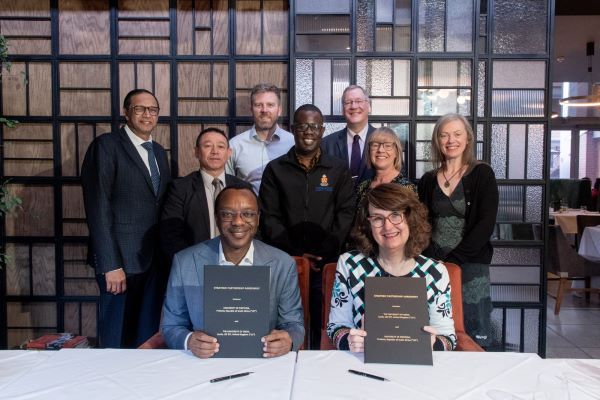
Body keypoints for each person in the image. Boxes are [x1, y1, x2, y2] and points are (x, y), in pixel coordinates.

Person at [161, 185, 304, 358]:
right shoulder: (185, 262)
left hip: (263, 362)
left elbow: (294, 324)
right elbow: (170, 326)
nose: (238, 221)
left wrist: (288, 340)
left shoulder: (282, 263)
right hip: (202, 363)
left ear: (258, 219)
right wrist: (189, 340)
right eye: (228, 214)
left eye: (248, 214)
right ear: (216, 218)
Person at [81, 89, 172, 348]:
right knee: (117, 335)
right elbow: (98, 207)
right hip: (119, 262)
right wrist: (110, 264)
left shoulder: (159, 152)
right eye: (139, 109)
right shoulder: (107, 146)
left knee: (145, 336)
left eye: (152, 110)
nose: (147, 115)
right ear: (126, 112)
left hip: (152, 260)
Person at [259, 104, 356, 348]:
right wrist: (297, 254)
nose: (309, 131)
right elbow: (269, 216)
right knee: (288, 321)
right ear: (293, 129)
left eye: (314, 126)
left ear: (322, 130)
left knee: (324, 322)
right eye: (303, 126)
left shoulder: (338, 169)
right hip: (287, 262)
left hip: (327, 264)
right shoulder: (275, 169)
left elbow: (346, 214)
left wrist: (323, 252)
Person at [328, 184, 456, 351]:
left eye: (396, 215)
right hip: (363, 363)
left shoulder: (435, 273)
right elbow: (336, 327)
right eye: (378, 218)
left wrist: (434, 343)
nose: (387, 227)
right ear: (368, 224)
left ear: (411, 218)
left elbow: (448, 337)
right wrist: (349, 341)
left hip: (418, 367)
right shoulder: (350, 265)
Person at [417, 113, 498, 348]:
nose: (451, 140)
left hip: (471, 266)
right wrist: (435, 260)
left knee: (473, 332)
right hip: (434, 265)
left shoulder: (482, 174)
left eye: (457, 134)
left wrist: (454, 261)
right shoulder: (427, 180)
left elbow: (485, 224)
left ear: (468, 139)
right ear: (437, 141)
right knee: (435, 329)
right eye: (444, 135)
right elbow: (420, 223)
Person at [160, 127, 252, 262]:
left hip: (237, 264)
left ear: (229, 153)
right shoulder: (180, 188)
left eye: (221, 147)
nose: (215, 151)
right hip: (194, 264)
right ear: (196, 152)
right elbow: (170, 234)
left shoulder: (243, 188)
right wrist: (192, 263)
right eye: (207, 146)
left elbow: (253, 228)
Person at [226, 83, 294, 193]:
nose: (264, 110)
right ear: (251, 110)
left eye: (270, 105)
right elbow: (226, 187)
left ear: (279, 110)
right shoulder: (234, 145)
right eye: (258, 105)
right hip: (247, 208)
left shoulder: (293, 143)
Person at [321, 85, 375, 186]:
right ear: (342, 110)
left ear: (369, 107)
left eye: (359, 101)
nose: (354, 106)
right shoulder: (326, 144)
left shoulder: (385, 141)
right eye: (348, 102)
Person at [355, 126, 417, 206]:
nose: (380, 150)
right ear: (369, 152)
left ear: (396, 152)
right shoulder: (362, 187)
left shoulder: (406, 189)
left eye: (387, 146)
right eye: (375, 145)